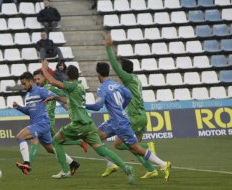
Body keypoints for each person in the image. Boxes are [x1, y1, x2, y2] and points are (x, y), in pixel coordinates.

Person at [41, 60, 135, 182]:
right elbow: (71, 100)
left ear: (67, 76)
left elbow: (53, 82)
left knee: (55, 141)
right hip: (89, 124)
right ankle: (126, 168)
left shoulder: (71, 86)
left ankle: (65, 170)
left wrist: (44, 69)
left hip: (78, 124)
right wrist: (56, 97)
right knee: (101, 149)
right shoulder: (79, 86)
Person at [85, 63, 171, 181]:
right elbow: (129, 96)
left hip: (120, 123)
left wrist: (82, 105)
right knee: (95, 136)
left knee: (136, 148)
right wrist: (121, 108)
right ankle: (111, 164)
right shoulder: (116, 84)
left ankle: (163, 164)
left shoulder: (102, 87)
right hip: (114, 121)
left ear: (98, 74)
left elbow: (98, 106)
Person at [103, 35, 158, 179]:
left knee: (117, 144)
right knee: (134, 148)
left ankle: (148, 148)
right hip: (142, 116)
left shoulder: (127, 78)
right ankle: (151, 169)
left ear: (125, 72)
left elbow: (114, 67)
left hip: (133, 117)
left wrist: (108, 47)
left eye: (122, 71)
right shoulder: (136, 79)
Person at [13, 72, 80, 175]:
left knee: (20, 136)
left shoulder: (41, 91)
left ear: (31, 81)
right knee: (50, 148)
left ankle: (27, 163)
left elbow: (58, 97)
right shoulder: (29, 95)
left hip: (42, 123)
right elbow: (29, 111)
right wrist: (19, 108)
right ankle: (73, 163)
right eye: (22, 84)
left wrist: (69, 106)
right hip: (38, 124)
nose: (23, 86)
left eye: (24, 83)